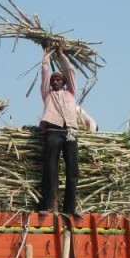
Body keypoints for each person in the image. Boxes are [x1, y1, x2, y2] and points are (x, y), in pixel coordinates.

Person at [38, 42, 81, 218]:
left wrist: (62, 55)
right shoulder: (47, 94)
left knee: (72, 170)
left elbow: (71, 71)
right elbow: (44, 72)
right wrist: (47, 55)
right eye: (53, 80)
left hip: (70, 132)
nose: (55, 81)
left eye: (58, 79)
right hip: (53, 132)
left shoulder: (70, 93)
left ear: (64, 82)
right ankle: (48, 206)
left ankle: (70, 207)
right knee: (50, 168)